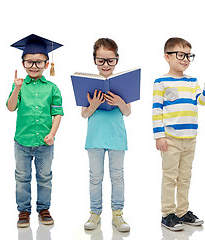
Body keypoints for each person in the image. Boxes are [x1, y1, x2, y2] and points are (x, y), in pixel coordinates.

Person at [152, 37, 205, 231]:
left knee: (185, 177)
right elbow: (156, 110)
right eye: (181, 55)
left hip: (190, 138)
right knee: (170, 177)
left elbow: (202, 101)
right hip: (171, 138)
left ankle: (182, 211)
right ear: (167, 57)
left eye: (189, 55)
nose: (186, 59)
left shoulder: (192, 81)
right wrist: (159, 136)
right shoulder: (161, 82)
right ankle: (167, 213)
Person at [7, 34, 64, 228]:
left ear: (47, 64)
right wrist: (16, 89)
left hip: (45, 143)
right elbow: (10, 107)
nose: (33, 66)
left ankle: (43, 209)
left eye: (38, 62)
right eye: (29, 62)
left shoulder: (52, 88)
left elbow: (57, 114)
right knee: (22, 177)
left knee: (45, 177)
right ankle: (23, 211)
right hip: (22, 142)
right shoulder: (20, 86)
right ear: (23, 63)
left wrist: (52, 134)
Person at [81, 38, 131, 232]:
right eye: (101, 60)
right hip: (94, 138)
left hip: (117, 138)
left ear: (117, 59)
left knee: (117, 177)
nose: (106, 65)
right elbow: (84, 113)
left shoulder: (122, 84)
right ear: (94, 60)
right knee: (95, 177)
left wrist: (119, 101)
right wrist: (92, 105)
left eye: (110, 60)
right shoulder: (88, 83)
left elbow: (127, 112)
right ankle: (95, 213)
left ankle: (117, 214)